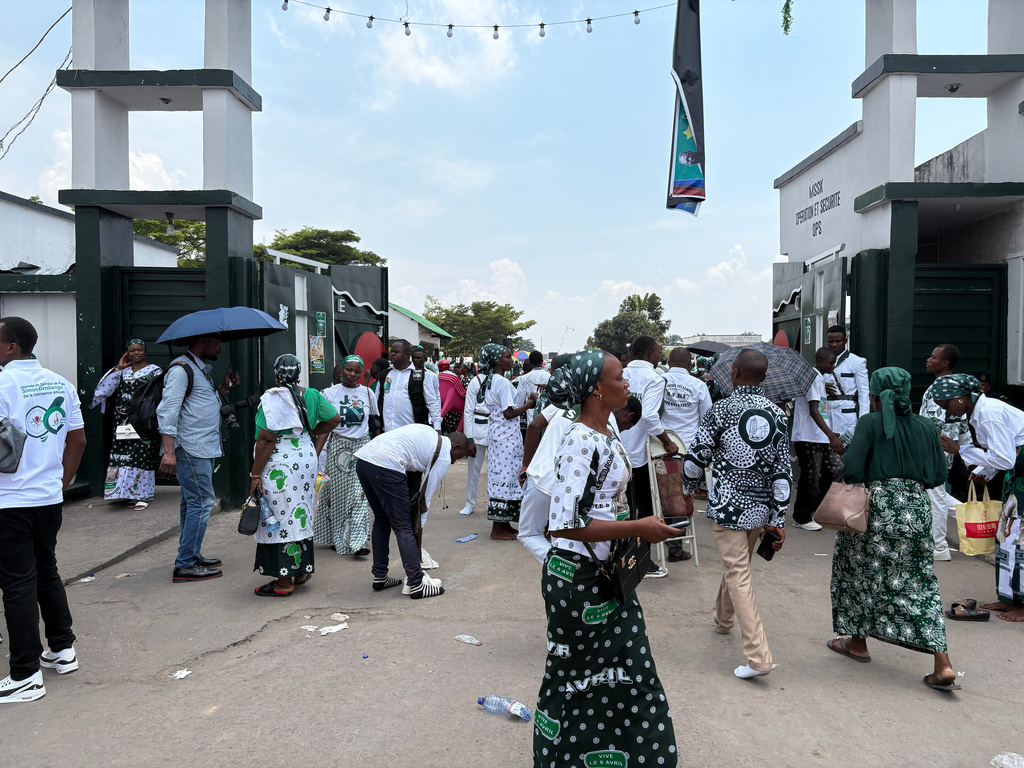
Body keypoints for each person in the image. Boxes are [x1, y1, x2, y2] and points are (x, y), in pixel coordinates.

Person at [533, 350, 679, 767]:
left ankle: (637, 756)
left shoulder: (609, 429)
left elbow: (603, 503)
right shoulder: (578, 438)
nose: (627, 383)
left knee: (631, 669)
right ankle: (562, 757)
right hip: (576, 579)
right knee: (573, 674)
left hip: (609, 574)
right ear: (596, 388)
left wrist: (633, 527)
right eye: (619, 377)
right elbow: (562, 524)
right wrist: (638, 528)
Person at [828, 367, 961, 691]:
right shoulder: (928, 426)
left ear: (874, 395)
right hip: (916, 510)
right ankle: (941, 663)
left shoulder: (870, 423)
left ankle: (858, 643)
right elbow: (937, 476)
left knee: (859, 573)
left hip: (875, 509)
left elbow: (854, 469)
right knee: (918, 581)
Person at [682, 348, 792, 679]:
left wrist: (688, 490)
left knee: (738, 573)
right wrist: (778, 518)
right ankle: (723, 620)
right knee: (737, 566)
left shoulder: (721, 410)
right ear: (764, 376)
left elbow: (695, 460)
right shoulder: (778, 415)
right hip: (760, 512)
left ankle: (758, 658)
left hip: (728, 508)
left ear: (735, 373)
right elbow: (783, 472)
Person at [0, 317, 87, 703]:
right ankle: (62, 649)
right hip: (48, 499)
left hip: (10, 501)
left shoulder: (2, 383)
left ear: (11, 346)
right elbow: (78, 440)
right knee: (46, 572)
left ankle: (25, 675)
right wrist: (62, 482)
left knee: (17, 584)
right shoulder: (62, 383)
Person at [518, 370, 639, 563]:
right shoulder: (608, 422)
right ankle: (562, 570)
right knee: (567, 536)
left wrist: (525, 466)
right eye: (619, 378)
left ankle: (560, 569)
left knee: (529, 534)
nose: (626, 385)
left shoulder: (562, 404)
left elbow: (534, 426)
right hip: (574, 487)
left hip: (542, 479)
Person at [247, 354, 340, 596]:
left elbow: (266, 439)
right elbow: (333, 420)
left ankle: (283, 582)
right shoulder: (311, 395)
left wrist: (255, 475)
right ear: (299, 374)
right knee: (301, 512)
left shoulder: (272, 398)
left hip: (279, 461)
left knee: (278, 515)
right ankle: (300, 570)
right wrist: (308, 433)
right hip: (305, 459)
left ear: (276, 375)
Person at [935, 374, 1024, 622]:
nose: (945, 409)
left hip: (1020, 471)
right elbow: (1001, 452)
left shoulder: (989, 414)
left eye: (945, 403)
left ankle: (1023, 604)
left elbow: (1006, 458)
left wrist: (961, 449)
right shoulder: (978, 412)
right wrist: (984, 471)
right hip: (1018, 473)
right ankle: (1010, 598)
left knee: (1021, 539)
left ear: (962, 398)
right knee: (1007, 536)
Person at [157, 334, 240, 583]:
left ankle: (190, 555)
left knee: (191, 503)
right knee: (202, 503)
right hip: (191, 449)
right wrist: (169, 453)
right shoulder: (181, 370)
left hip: (203, 447)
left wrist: (224, 388)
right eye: (217, 342)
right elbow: (168, 411)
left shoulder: (198, 369)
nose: (219, 347)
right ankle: (185, 564)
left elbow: (200, 403)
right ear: (203, 341)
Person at [355, 425, 469, 599]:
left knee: (382, 519)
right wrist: (418, 529)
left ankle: (380, 575)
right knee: (404, 527)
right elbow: (425, 499)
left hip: (364, 460)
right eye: (458, 457)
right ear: (456, 447)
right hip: (386, 465)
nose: (454, 462)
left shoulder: (430, 435)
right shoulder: (445, 455)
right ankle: (416, 583)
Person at [621, 336, 678, 578]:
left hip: (612, 446)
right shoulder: (654, 379)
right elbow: (650, 417)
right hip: (635, 455)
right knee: (642, 509)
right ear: (652, 353)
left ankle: (618, 559)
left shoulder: (619, 373)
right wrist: (667, 442)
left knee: (617, 508)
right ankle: (642, 562)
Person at [314, 357, 378, 557]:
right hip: (337, 448)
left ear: (362, 373)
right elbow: (325, 426)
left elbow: (374, 423)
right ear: (341, 371)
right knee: (339, 498)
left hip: (362, 448)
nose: (352, 374)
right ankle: (339, 539)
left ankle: (357, 542)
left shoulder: (368, 393)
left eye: (357, 371)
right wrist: (316, 454)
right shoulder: (329, 394)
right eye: (349, 370)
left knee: (361, 496)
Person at [89, 339, 162, 510]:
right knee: (123, 457)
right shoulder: (123, 372)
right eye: (132, 351)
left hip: (144, 421)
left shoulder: (155, 371)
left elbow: (160, 395)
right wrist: (117, 369)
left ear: (145, 351)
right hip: (122, 422)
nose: (136, 353)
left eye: (139, 350)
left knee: (142, 457)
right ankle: (128, 493)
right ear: (127, 353)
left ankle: (143, 495)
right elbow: (103, 390)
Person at [478, 344, 537, 540]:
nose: (511, 360)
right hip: (506, 437)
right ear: (497, 361)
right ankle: (497, 529)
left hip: (498, 435)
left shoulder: (490, 380)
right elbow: (508, 413)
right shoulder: (502, 382)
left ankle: (504, 523)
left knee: (503, 477)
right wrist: (529, 404)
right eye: (507, 357)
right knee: (506, 479)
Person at [660, 346, 711, 561]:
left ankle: (659, 537)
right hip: (687, 451)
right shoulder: (698, 385)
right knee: (682, 496)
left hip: (659, 447)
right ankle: (676, 546)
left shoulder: (659, 381)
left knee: (659, 496)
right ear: (690, 365)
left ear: (669, 363)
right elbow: (707, 418)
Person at [920, 344, 970, 561]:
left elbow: (931, 423)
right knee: (938, 494)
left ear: (945, 363)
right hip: (944, 451)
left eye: (933, 357)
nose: (928, 360)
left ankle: (939, 547)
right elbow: (963, 423)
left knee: (936, 498)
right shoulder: (956, 386)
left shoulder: (939, 388)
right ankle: (975, 519)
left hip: (932, 450)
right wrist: (966, 450)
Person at [791, 347, 845, 531]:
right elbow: (814, 410)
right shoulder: (812, 377)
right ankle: (801, 516)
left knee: (835, 469)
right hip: (808, 437)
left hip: (819, 437)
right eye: (830, 362)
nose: (833, 365)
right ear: (820, 362)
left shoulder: (819, 379)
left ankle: (814, 510)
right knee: (811, 478)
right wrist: (831, 435)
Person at [377, 340, 440, 432]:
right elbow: (377, 398)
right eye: (392, 352)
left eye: (396, 352)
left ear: (407, 355)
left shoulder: (421, 375)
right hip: (387, 431)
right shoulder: (385, 374)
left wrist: (437, 427)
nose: (392, 354)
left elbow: (432, 403)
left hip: (411, 433)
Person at [824, 325, 870, 443]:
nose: (834, 344)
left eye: (838, 341)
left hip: (848, 417)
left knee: (847, 452)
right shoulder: (821, 362)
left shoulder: (856, 362)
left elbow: (864, 394)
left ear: (845, 341)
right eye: (830, 341)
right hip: (827, 415)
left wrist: (863, 421)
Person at [460, 360, 491, 517]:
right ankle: (469, 503)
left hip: (495, 428)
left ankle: (494, 504)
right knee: (473, 471)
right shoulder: (475, 381)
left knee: (495, 471)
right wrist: (469, 439)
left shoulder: (503, 382)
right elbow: (468, 410)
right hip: (478, 427)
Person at [515, 350, 550, 426]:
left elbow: (520, 400)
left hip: (531, 416)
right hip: (547, 414)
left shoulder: (524, 378)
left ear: (530, 362)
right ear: (542, 361)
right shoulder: (549, 376)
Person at [437, 361, 467, 435]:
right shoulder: (453, 377)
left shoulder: (438, 376)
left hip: (443, 404)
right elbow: (460, 391)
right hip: (455, 404)